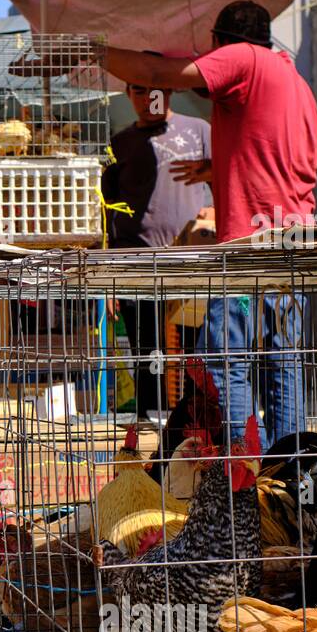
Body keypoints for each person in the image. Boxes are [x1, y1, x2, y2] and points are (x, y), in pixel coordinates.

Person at [100, 0, 317, 449]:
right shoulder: (295, 85)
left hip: (248, 251)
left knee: (228, 363)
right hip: (293, 245)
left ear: (222, 46)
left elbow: (163, 75)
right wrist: (217, 166)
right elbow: (276, 158)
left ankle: (238, 478)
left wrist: (91, 51)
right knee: (283, 364)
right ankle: (287, 473)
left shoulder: (244, 59)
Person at [103, 61, 212, 416]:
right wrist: (108, 280)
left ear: (169, 89)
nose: (148, 97)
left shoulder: (199, 130)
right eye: (138, 89)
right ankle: (150, 429)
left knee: (197, 351)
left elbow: (225, 182)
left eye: (155, 89)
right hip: (137, 264)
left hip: (191, 264)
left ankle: (196, 429)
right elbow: (107, 214)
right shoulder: (120, 144)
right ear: (128, 94)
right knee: (148, 352)